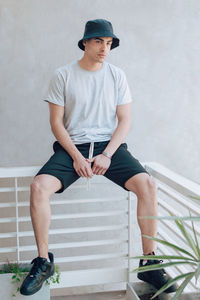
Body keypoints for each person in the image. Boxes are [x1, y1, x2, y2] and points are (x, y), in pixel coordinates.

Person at [20, 19, 177, 296]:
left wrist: (107, 154)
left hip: (110, 147)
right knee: (38, 187)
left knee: (148, 185)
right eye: (98, 41)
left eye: (108, 43)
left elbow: (124, 120)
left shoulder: (117, 75)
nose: (105, 48)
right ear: (85, 43)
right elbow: (56, 123)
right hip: (72, 147)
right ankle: (44, 261)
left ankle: (150, 261)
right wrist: (77, 158)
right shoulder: (63, 75)